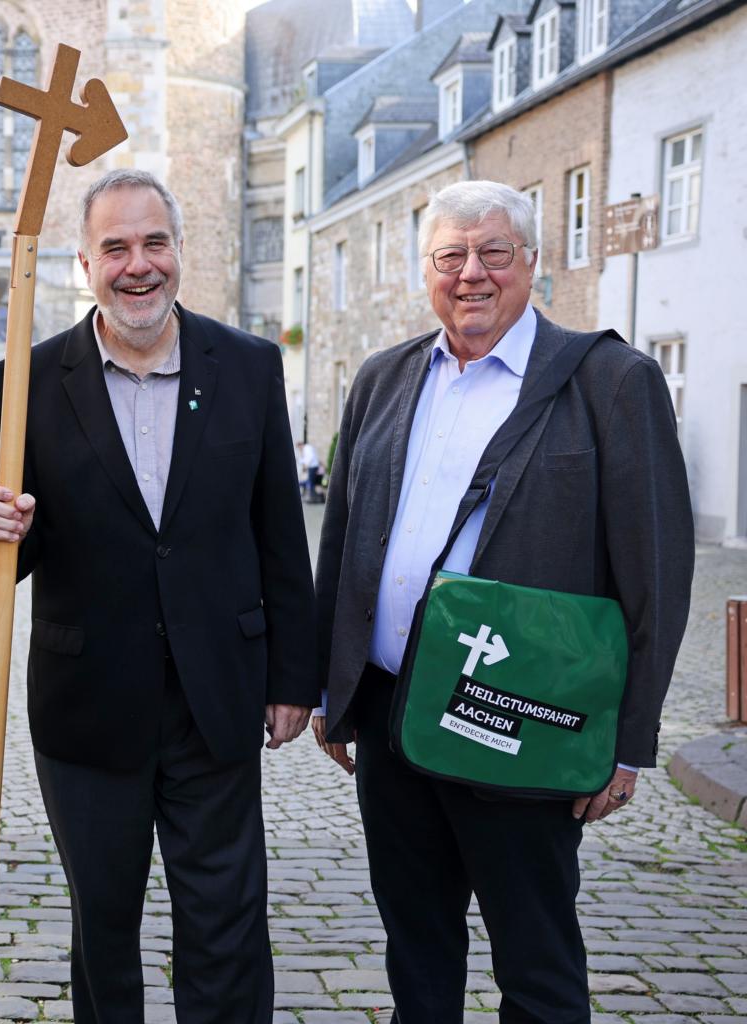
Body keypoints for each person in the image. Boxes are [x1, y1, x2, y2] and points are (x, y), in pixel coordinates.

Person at [311, 180, 693, 1022]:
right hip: (390, 712)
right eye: (451, 256)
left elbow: (655, 577)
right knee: (415, 944)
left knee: (537, 960)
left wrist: (627, 744)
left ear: (531, 263)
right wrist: (333, 692)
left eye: (493, 252)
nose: (471, 273)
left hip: (520, 715)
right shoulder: (383, 379)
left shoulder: (610, 381)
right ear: (428, 270)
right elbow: (342, 540)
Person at [0, 169, 317, 1024]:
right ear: (84, 263)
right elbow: (7, 567)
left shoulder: (246, 367)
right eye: (115, 248)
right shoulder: (26, 381)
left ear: (179, 253)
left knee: (226, 925)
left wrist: (293, 677)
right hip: (87, 704)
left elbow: (279, 531)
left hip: (218, 695)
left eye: (154, 243)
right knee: (104, 928)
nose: (138, 265)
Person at [296, 439, 323, 503]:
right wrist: (299, 460)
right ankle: (313, 497)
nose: (299, 449)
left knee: (311, 482)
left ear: (300, 445)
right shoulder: (306, 448)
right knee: (311, 482)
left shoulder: (307, 448)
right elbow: (305, 459)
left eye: (298, 447)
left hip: (312, 467)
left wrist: (306, 465)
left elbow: (310, 457)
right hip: (312, 467)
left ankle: (312, 498)